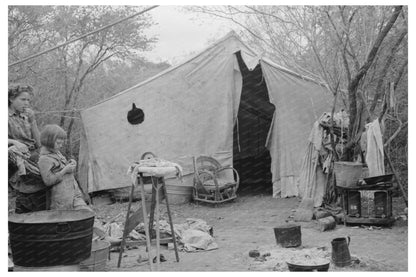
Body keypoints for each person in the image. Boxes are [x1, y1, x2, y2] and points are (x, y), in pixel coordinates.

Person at [8, 83, 48, 213]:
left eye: (28, 100)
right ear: (11, 99)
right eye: (23, 99)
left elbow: (38, 142)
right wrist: (14, 142)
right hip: (15, 154)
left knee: (56, 162)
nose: (27, 103)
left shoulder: (26, 116)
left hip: (31, 152)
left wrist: (33, 120)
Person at [37, 124, 92, 211]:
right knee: (66, 221)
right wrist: (65, 170)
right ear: (48, 141)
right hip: (61, 199)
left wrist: (70, 164)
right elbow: (48, 181)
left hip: (73, 193)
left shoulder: (57, 152)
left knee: (86, 214)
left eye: (62, 143)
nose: (61, 145)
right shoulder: (44, 159)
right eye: (58, 143)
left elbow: (62, 167)